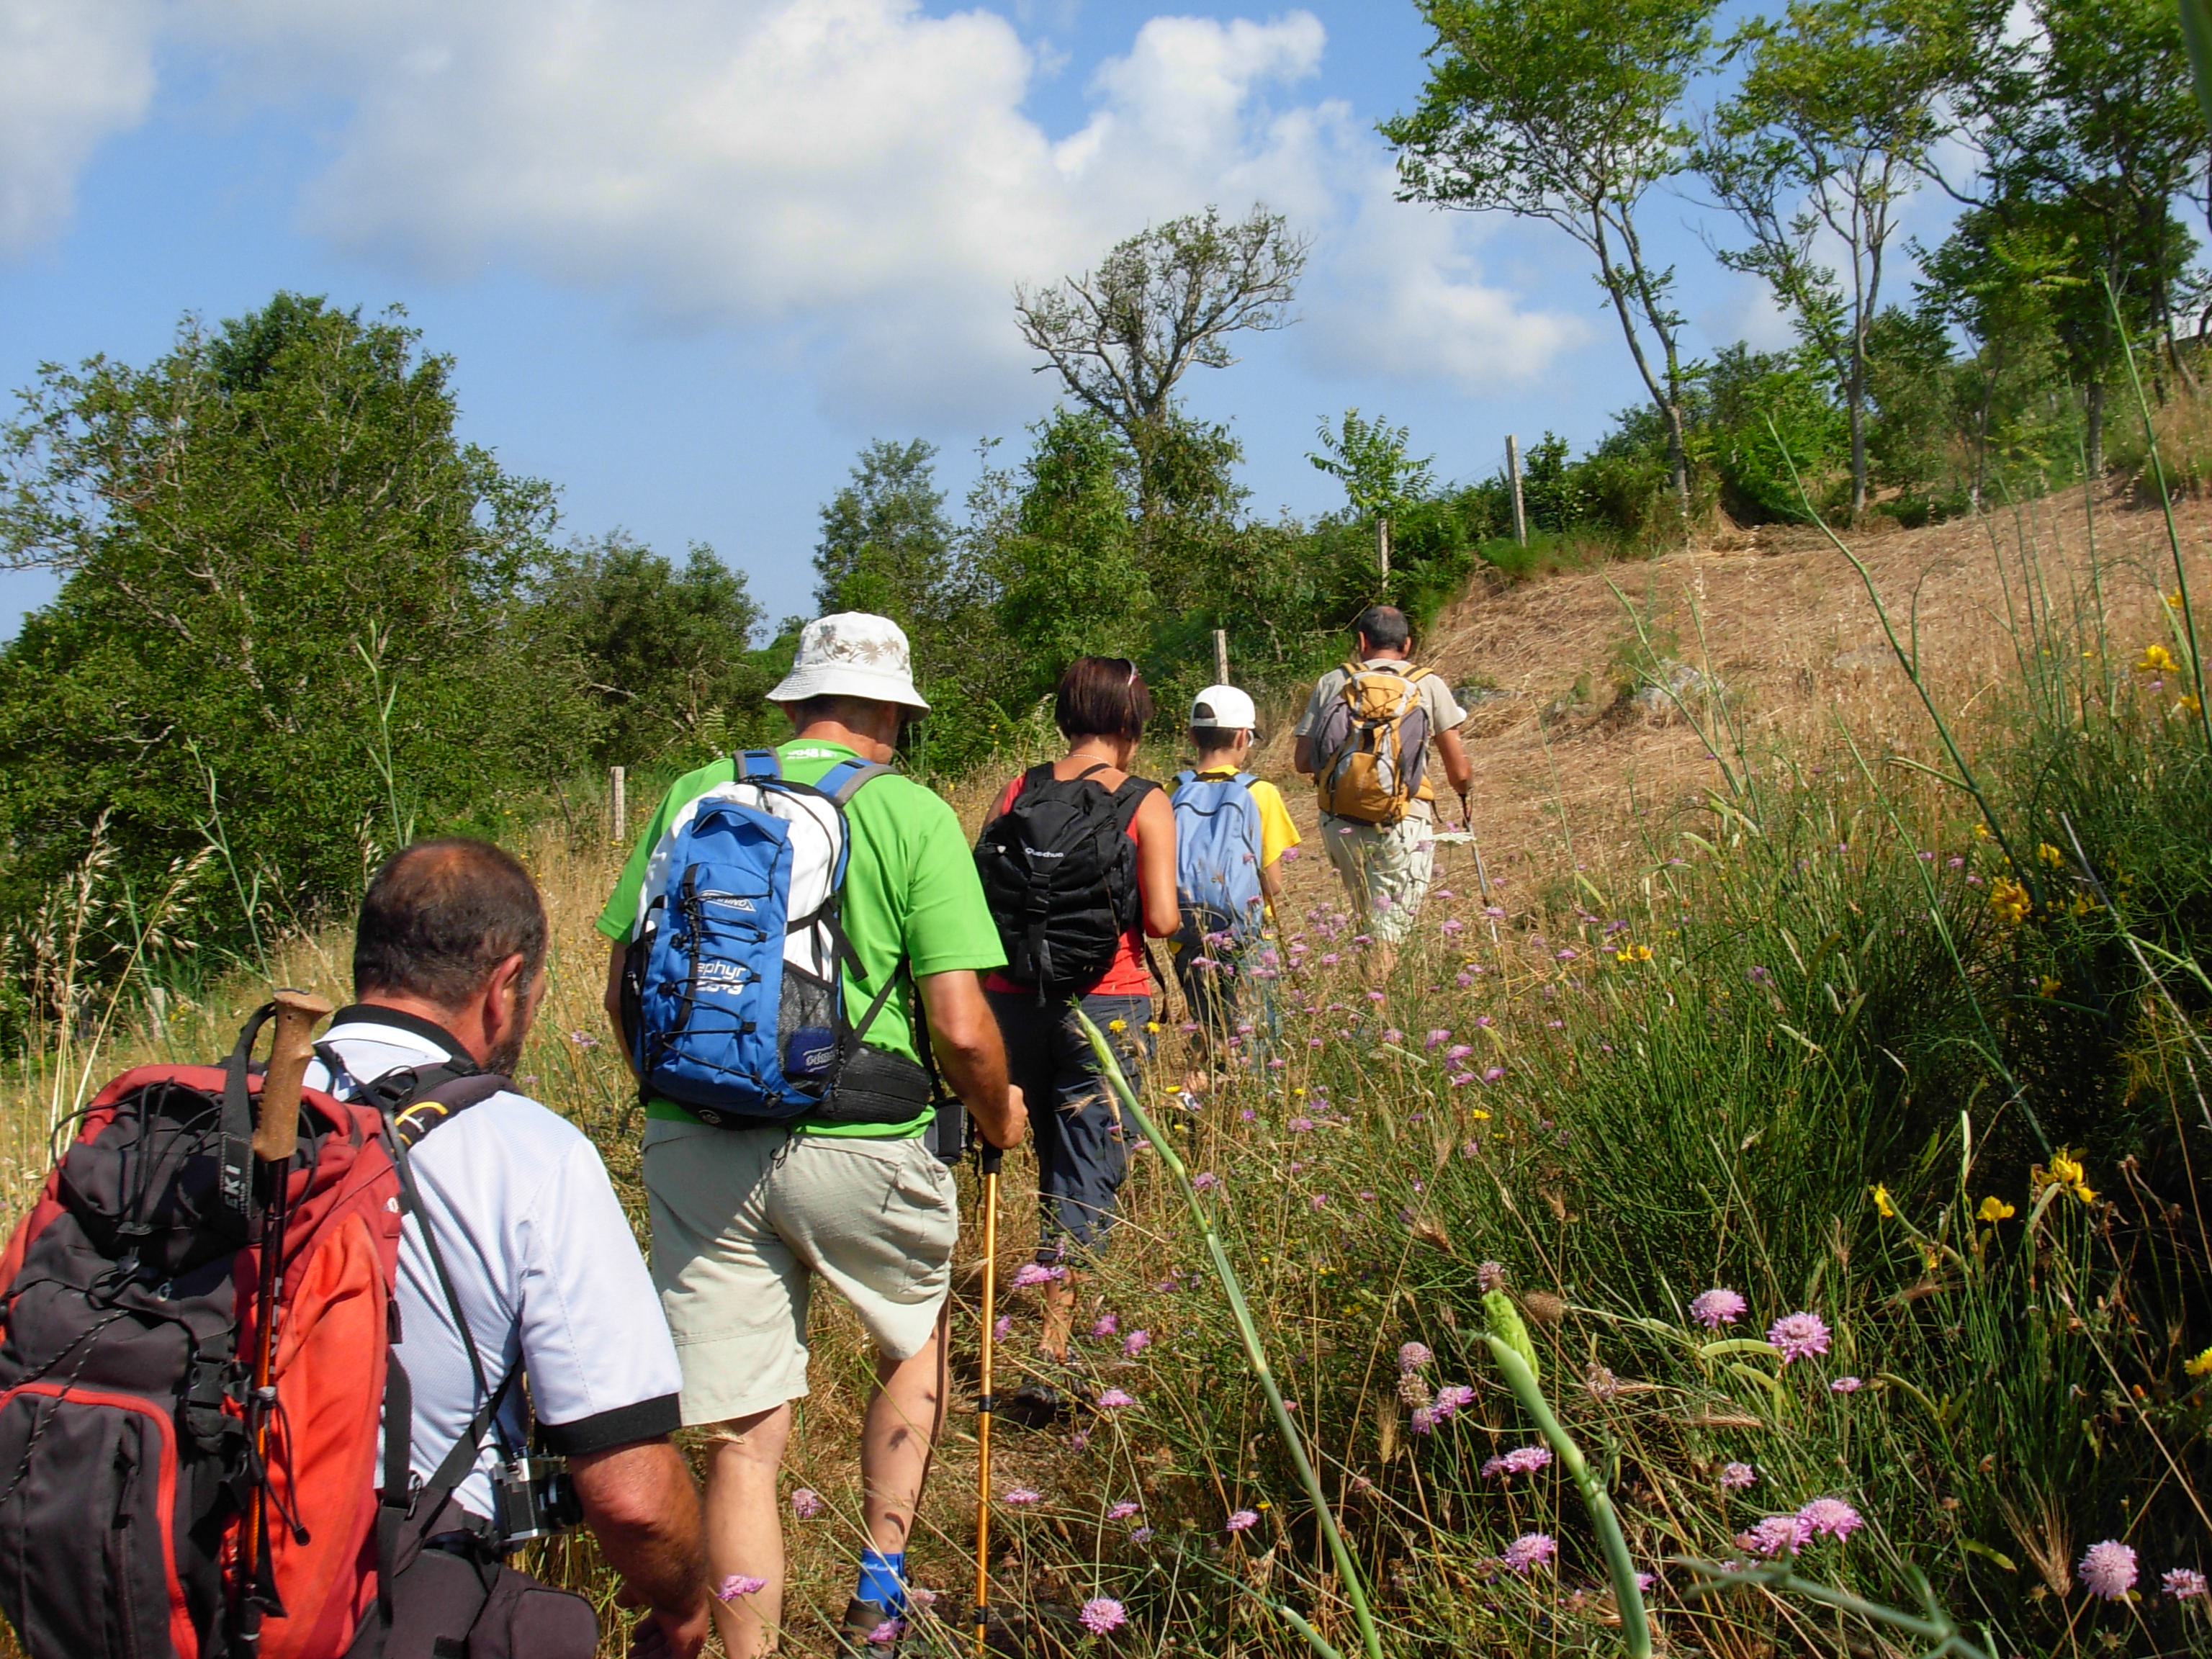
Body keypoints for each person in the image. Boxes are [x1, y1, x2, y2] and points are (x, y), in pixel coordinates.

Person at [598, 613, 1023, 1659]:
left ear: (795, 700)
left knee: (742, 1444)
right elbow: (962, 1026)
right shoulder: (909, 812)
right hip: (863, 1137)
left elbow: (623, 991)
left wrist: (693, 1098)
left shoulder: (693, 793)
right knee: (912, 1340)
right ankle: (879, 1591)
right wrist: (999, 1113)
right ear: (894, 713)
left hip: (697, 1134)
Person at [306, 839, 710, 1659]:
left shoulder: (223, 1114)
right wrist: (685, 1605)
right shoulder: (530, 1153)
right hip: (393, 1588)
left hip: (173, 1568)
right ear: (505, 987)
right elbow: (632, 1496)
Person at [976, 657, 1179, 1367]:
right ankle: (1054, 1349)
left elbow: (984, 889)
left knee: (1038, 1151)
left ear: (1067, 714)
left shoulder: (1018, 788)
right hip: (1107, 1004)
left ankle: (1024, 1300)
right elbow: (1161, 920)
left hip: (1009, 1001)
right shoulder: (1145, 800)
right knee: (1088, 1165)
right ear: (1131, 721)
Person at [1292, 604, 1472, 982]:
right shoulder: (1428, 684)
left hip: (1341, 820)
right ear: (1407, 645)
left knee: (1366, 921)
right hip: (1404, 819)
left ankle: (1366, 999)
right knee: (1388, 930)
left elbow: (1303, 761)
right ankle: (1378, 1010)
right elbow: (1459, 772)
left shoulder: (1334, 681)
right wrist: (1464, 792)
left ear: (1361, 641)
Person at [1169, 684, 1301, 1097]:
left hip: (1187, 936)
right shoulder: (1260, 792)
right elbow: (1272, 882)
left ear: (1192, 735)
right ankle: (1256, 1108)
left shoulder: (1172, 789)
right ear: (1244, 736)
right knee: (1256, 1038)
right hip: (1247, 938)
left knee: (1207, 1032)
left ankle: (1194, 1104)